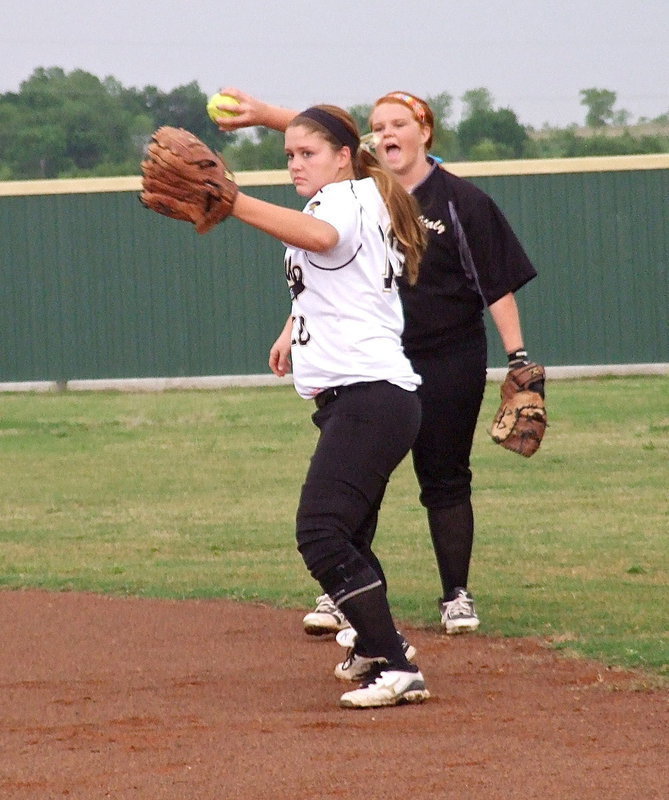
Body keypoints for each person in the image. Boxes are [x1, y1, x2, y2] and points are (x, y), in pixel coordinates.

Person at [213, 89, 540, 641]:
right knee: (359, 483)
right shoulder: (363, 187)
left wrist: (519, 358)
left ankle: (451, 595)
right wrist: (264, 117)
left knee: (442, 475)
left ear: (425, 132)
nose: (385, 133)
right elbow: (324, 142)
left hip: (439, 355)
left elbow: (496, 284)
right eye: (376, 125)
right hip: (376, 354)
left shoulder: (447, 199)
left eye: (398, 123)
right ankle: (347, 592)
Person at [222, 102, 430, 708]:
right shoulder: (365, 192)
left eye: (306, 154)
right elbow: (332, 273)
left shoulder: (342, 201)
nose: (294, 165)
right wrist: (295, 324)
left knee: (320, 533)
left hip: (370, 397)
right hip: (369, 398)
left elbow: (320, 237)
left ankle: (395, 664)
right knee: (349, 537)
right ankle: (375, 645)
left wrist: (232, 200)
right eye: (287, 155)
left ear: (342, 156)